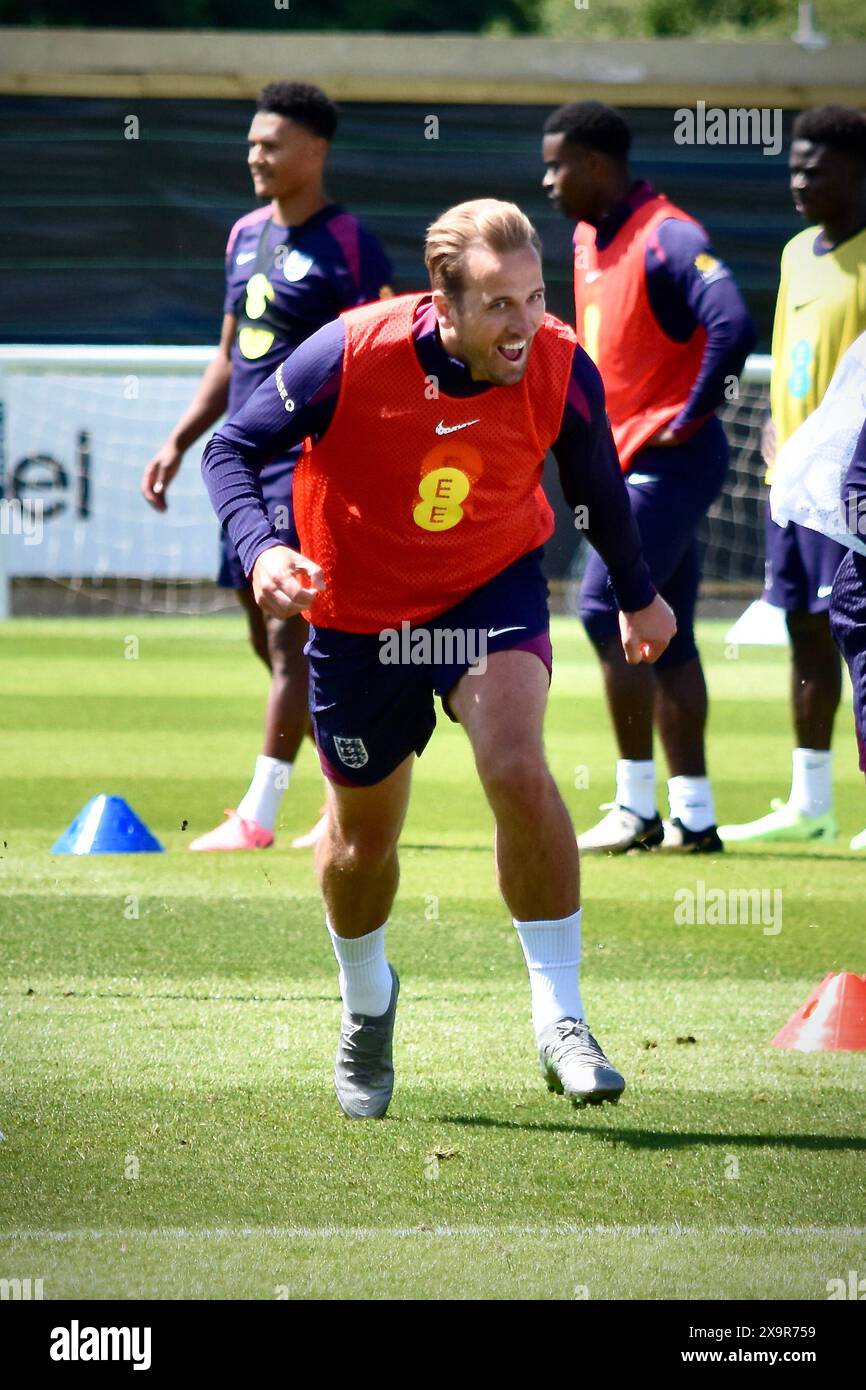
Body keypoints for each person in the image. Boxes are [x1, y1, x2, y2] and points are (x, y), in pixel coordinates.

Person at [200, 199, 675, 1119]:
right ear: (443, 303)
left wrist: (636, 588)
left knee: (513, 761)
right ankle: (367, 1003)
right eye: (500, 305)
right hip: (358, 612)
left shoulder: (560, 364)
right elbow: (235, 446)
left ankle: (562, 1020)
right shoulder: (349, 352)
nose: (524, 324)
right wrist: (262, 549)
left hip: (488, 589)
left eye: (535, 298)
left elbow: (596, 482)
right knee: (361, 844)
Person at [140, 81, 393, 851]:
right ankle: (353, 790)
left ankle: (258, 816)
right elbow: (230, 357)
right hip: (244, 468)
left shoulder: (349, 243)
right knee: (268, 639)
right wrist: (180, 441)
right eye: (252, 142)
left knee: (289, 643)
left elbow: (374, 357)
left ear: (315, 151)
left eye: (271, 143)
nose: (255, 154)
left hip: (309, 467)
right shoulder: (244, 235)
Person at [542, 101, 755, 854]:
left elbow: (731, 319)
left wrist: (691, 414)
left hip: (671, 461)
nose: (548, 179)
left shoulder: (669, 233)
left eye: (558, 163)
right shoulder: (583, 238)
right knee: (672, 637)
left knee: (605, 609)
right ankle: (695, 818)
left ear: (596, 165)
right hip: (626, 460)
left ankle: (636, 808)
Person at [717, 105, 866, 847]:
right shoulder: (796, 252)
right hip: (797, 483)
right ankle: (812, 803)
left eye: (816, 167)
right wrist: (778, 424)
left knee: (862, 637)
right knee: (808, 631)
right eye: (793, 167)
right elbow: (788, 353)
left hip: (855, 491)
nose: (799, 180)